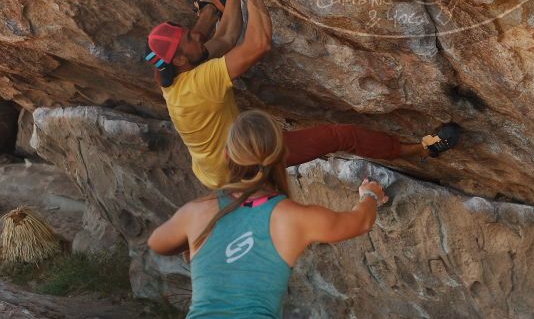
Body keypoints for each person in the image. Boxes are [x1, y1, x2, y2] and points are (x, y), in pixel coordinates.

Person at [145, 0, 460, 189]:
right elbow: (258, 43)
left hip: (216, 164)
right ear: (183, 60)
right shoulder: (199, 84)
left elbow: (226, 39)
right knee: (341, 137)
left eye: (193, 32)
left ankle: (210, 8)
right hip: (243, 164)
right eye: (191, 38)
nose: (198, 37)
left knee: (211, 40)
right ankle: (423, 148)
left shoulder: (174, 71)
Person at [148, 109, 388, 318]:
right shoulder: (292, 217)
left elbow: (157, 243)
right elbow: (360, 222)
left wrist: (194, 244)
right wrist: (370, 195)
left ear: (226, 155)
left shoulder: (198, 212)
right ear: (282, 154)